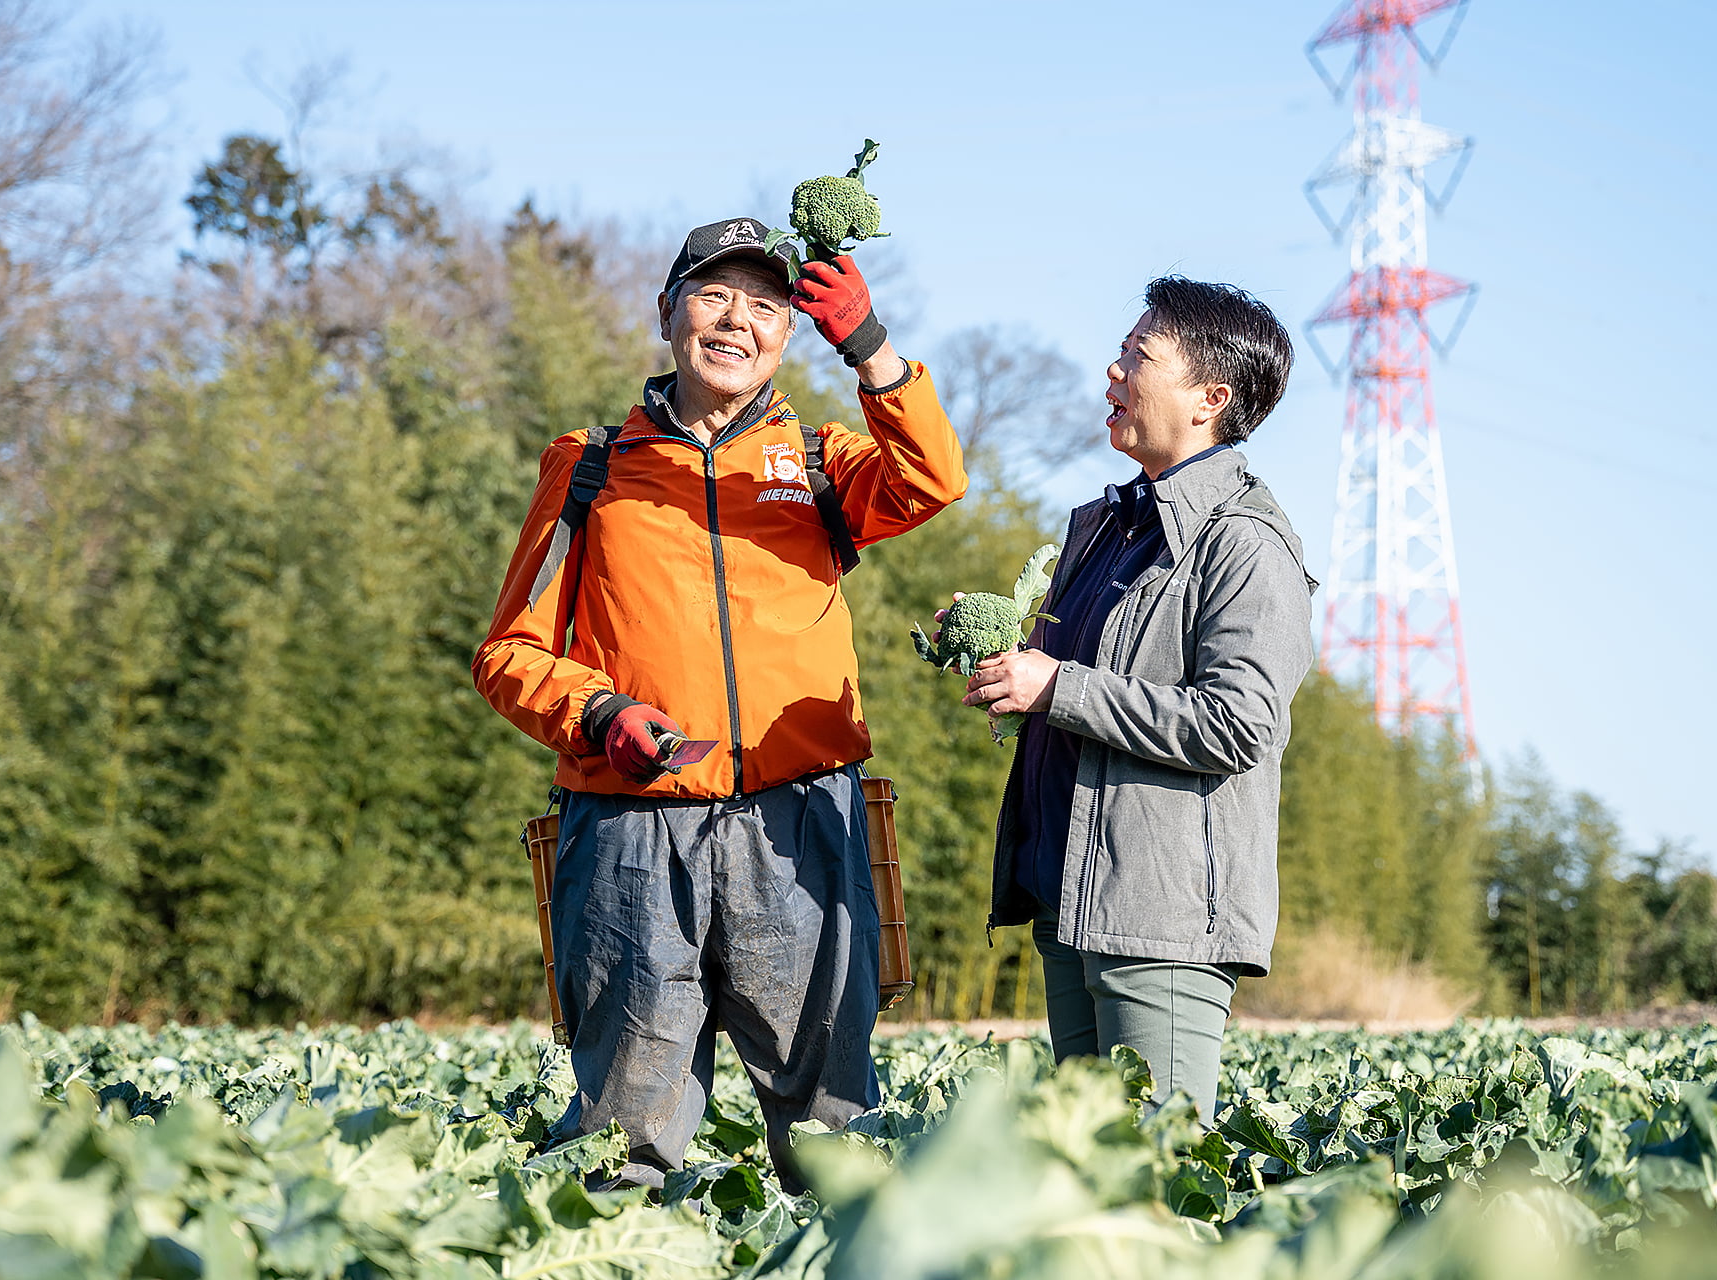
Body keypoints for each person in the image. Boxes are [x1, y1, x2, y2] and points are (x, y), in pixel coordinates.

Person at [474, 217, 965, 1189]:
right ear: (668, 313)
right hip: (629, 826)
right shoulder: (589, 464)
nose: (737, 319)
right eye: (713, 295)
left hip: (802, 822)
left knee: (834, 1130)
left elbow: (932, 480)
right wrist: (599, 715)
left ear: (790, 333)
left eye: (766, 305)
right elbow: (509, 653)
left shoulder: (821, 462)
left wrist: (871, 347)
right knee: (622, 1134)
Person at [957, 275, 1313, 1122]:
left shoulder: (1244, 544)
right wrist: (1004, 656)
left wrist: (1058, 685)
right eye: (1120, 353)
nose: (1113, 372)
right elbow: (1078, 687)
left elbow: (1239, 724)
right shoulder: (1113, 530)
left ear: (1210, 399)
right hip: (1070, 905)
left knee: (1158, 1175)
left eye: (1138, 357)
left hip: (1161, 922)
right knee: (1092, 1174)